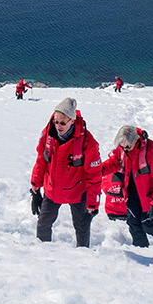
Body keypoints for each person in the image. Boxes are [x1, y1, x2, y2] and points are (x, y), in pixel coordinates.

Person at [30, 98, 101, 247]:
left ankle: (84, 257)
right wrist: (35, 185)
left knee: (82, 227)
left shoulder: (88, 142)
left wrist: (92, 204)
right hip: (52, 189)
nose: (58, 126)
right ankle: (42, 255)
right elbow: (41, 160)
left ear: (72, 121)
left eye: (63, 123)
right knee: (43, 225)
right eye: (56, 122)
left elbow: (94, 175)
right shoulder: (48, 135)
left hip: (78, 192)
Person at [106, 125, 153, 246]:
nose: (124, 149)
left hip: (151, 193)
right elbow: (113, 163)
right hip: (132, 191)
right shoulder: (123, 148)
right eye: (122, 146)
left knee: (148, 223)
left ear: (136, 141)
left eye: (127, 147)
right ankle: (141, 252)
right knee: (133, 222)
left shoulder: (152, 151)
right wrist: (95, 171)